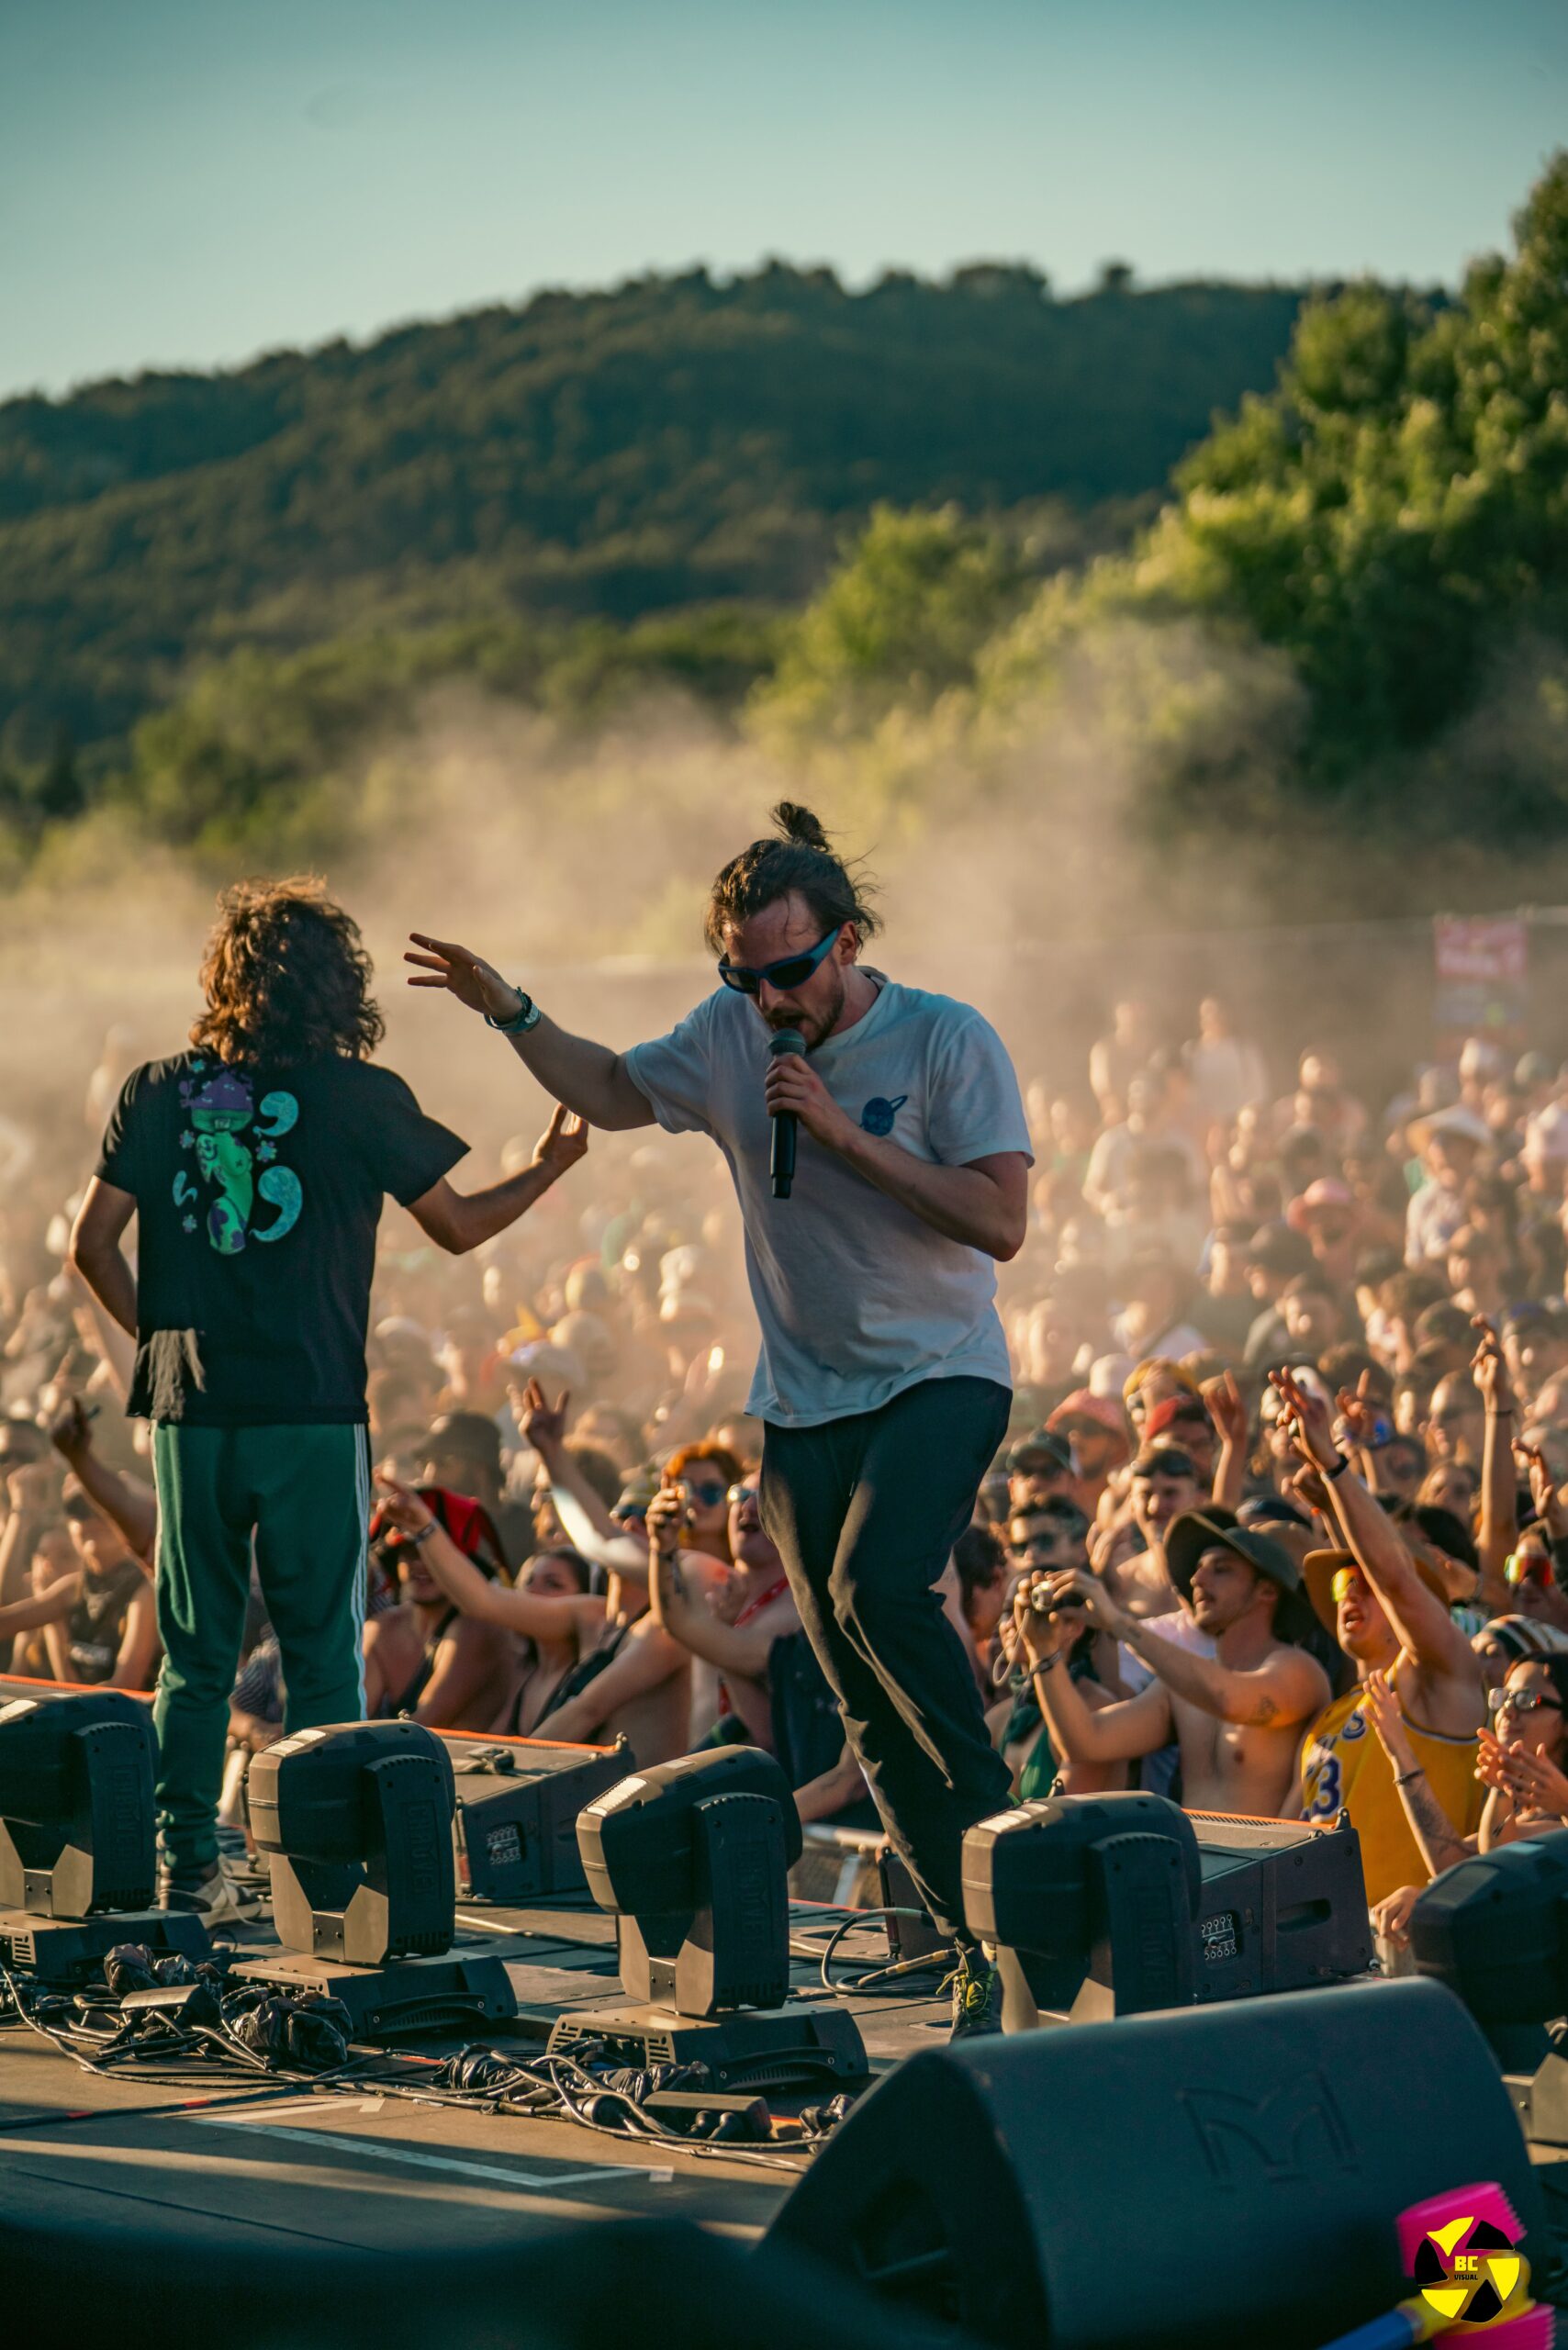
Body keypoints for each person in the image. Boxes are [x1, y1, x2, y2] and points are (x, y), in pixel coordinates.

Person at [408, 800, 1031, 2035]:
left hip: (942, 1369)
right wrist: (511, 1012)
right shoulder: (732, 1034)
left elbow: (1000, 1222)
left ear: (845, 944)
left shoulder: (947, 1042)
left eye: (790, 973)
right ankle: (973, 1938)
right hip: (806, 1395)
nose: (769, 1001)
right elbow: (611, 1087)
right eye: (743, 978)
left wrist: (844, 1136)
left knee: (875, 1592)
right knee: (845, 1672)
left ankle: (1005, 1827)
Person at [68, 877, 590, 1921]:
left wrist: (165, 1350)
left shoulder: (157, 1088)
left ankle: (192, 1871)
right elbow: (456, 1225)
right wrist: (546, 1167)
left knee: (197, 1646)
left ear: (223, 977)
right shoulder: (362, 1098)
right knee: (321, 1653)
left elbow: (91, 1244)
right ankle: (329, 1878)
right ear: (335, 985)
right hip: (311, 1413)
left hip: (192, 1411)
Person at [1273, 1368, 1486, 1909]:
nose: (1353, 1595)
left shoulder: (1439, 1682)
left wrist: (1335, 1464)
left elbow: (1394, 1576)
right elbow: (1277, 1839)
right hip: (1323, 1963)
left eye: (1368, 1585)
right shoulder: (1329, 1718)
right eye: (1345, 1584)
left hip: (1416, 1953)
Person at [1015, 1509, 1329, 1817]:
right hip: (1194, 1865)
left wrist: (1117, 1622)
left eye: (1221, 1569)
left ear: (1267, 1591)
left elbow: (1227, 1699)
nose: (1197, 1579)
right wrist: (1043, 1651)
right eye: (1199, 1568)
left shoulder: (1297, 1670)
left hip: (1269, 1866)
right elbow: (1086, 1742)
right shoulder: (1181, 1688)